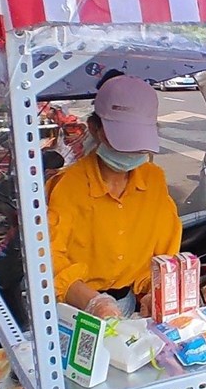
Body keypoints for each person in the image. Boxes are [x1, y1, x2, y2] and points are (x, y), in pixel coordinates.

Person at [46, 74, 182, 319]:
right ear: (94, 129)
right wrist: (93, 302)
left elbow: (164, 250)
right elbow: (48, 256)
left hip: (129, 304)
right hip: (75, 310)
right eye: (122, 140)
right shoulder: (67, 186)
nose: (130, 151)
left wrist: (155, 292)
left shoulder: (153, 181)